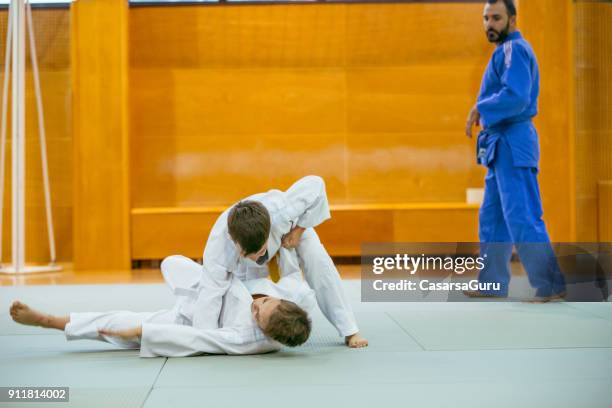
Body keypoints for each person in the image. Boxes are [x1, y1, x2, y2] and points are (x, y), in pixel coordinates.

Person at [9, 254, 314, 357]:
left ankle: (48, 320)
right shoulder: (294, 295)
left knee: (117, 323)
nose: (256, 307)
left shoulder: (250, 339)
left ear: (267, 333)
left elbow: (200, 340)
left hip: (189, 324)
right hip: (211, 291)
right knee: (172, 263)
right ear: (282, 300)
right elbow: (294, 274)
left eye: (259, 316)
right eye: (265, 303)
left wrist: (142, 331)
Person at [464, 0, 566, 302]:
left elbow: (517, 96)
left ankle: (551, 284)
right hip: (499, 145)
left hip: (513, 141)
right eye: (485, 18)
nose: (489, 24)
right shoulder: (502, 52)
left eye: (496, 17)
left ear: (512, 19)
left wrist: (478, 107)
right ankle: (492, 283)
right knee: (493, 217)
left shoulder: (514, 49)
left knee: (522, 214)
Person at [192, 175, 368, 347]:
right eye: (247, 254)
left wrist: (299, 229)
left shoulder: (281, 210)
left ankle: (349, 329)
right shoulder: (220, 248)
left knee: (318, 260)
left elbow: (316, 183)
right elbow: (210, 293)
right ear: (233, 241)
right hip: (245, 257)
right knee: (242, 291)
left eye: (259, 251)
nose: (255, 257)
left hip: (292, 230)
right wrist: (205, 339)